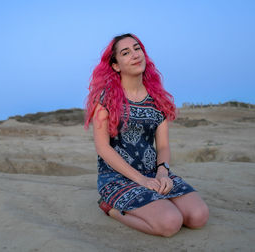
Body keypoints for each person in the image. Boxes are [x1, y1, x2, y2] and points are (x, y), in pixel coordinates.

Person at [84, 33, 209, 237]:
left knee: (198, 216)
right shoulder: (105, 99)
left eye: (137, 48)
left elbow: (163, 147)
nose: (135, 55)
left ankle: (156, 201)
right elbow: (103, 148)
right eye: (126, 53)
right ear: (116, 65)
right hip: (118, 178)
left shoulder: (157, 99)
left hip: (154, 174)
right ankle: (113, 210)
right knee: (170, 223)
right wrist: (141, 180)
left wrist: (162, 172)